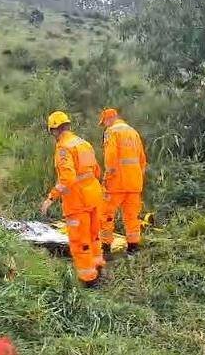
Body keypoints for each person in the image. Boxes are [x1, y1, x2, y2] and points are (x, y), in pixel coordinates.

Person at [41, 111, 105, 288]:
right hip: (94, 196)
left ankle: (89, 280)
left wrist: (51, 197)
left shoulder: (63, 148)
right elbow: (97, 171)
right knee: (94, 236)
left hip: (78, 202)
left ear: (54, 130)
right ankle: (98, 267)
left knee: (80, 241)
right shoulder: (83, 143)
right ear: (68, 126)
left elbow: (67, 179)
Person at [98, 108, 147, 260]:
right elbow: (142, 160)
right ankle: (133, 248)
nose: (104, 126)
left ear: (108, 119)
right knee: (132, 216)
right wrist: (138, 177)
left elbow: (110, 157)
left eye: (104, 123)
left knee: (106, 215)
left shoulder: (112, 132)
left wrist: (107, 176)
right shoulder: (133, 132)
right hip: (134, 183)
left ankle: (105, 248)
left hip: (116, 183)